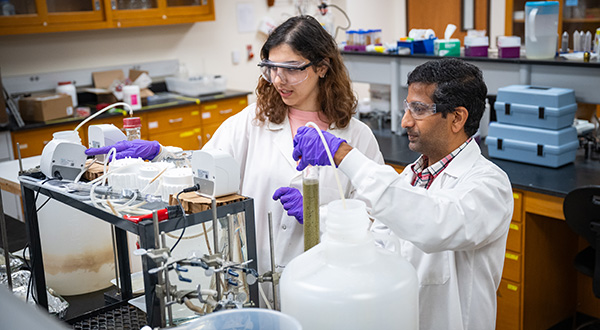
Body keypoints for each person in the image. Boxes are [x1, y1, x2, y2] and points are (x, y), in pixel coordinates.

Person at [85, 15, 384, 308]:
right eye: (271, 68)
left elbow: (379, 222)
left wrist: (320, 216)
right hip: (253, 282)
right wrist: (159, 155)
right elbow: (202, 173)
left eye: (291, 69)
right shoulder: (251, 123)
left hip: (325, 288)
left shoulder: (356, 137)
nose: (279, 80)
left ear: (322, 67)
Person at [292, 58, 513, 330]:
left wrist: (344, 155)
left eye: (418, 109)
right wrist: (321, 216)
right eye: (407, 108)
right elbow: (382, 242)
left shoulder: (489, 185)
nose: (406, 121)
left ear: (457, 118)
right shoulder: (411, 174)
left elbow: (434, 223)